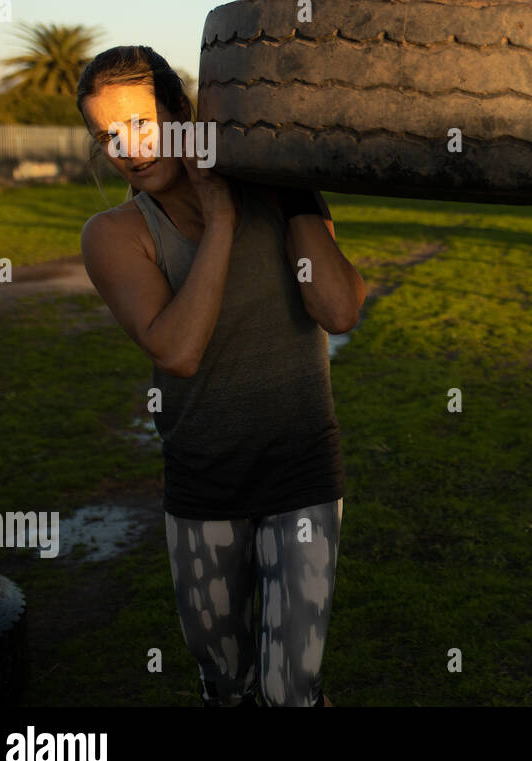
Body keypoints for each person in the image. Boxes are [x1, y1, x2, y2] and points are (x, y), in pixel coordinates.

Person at [75, 46, 366, 706]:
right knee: (227, 688)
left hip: (302, 471)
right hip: (204, 481)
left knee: (292, 691)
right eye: (107, 136)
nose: (128, 148)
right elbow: (177, 351)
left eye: (142, 124)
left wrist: (290, 190)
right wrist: (222, 224)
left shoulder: (278, 190)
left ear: (183, 112)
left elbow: (340, 308)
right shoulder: (116, 234)